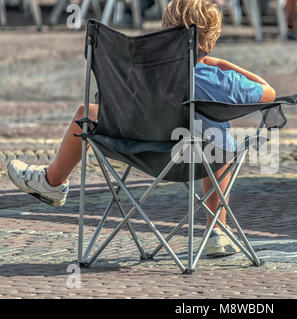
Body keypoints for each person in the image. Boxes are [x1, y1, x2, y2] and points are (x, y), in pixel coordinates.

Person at [7, 0, 276, 258]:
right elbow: (269, 92)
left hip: (135, 148)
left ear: (165, 30)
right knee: (219, 137)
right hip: (190, 160)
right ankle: (216, 229)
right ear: (213, 39)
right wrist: (220, 64)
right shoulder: (217, 78)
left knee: (85, 114)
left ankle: (52, 181)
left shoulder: (140, 69)